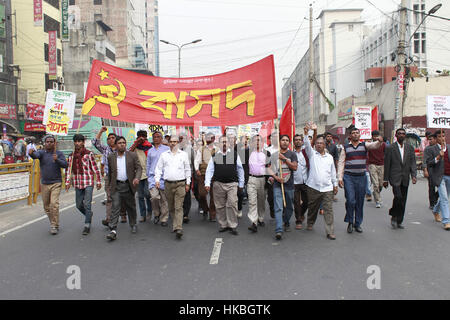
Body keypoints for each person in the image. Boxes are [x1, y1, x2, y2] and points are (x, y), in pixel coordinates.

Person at [338, 126, 383, 234]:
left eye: (357, 133)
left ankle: (357, 223)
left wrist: (379, 141)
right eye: (353, 133)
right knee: (350, 200)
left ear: (360, 135)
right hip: (349, 177)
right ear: (350, 136)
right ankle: (350, 222)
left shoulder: (365, 145)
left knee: (359, 201)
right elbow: (341, 162)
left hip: (361, 177)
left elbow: (374, 145)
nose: (355, 134)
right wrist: (339, 177)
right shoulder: (345, 147)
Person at [303, 125, 338, 240]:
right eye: (317, 143)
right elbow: (308, 144)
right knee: (313, 208)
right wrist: (309, 132)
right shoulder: (312, 154)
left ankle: (330, 231)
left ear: (324, 145)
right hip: (313, 187)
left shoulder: (329, 157)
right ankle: (310, 221)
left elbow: (333, 172)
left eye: (321, 143)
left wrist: (335, 184)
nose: (318, 144)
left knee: (328, 210)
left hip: (327, 188)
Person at [205, 135, 245, 235]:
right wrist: (207, 183)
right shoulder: (215, 156)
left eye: (226, 142)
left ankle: (232, 225)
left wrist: (241, 183)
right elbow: (209, 170)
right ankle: (223, 224)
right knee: (220, 206)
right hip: (218, 184)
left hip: (232, 184)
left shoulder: (235, 154)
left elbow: (240, 169)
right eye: (222, 142)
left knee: (232, 204)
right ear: (218, 144)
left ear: (229, 143)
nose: (224, 144)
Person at [29, 135, 67, 235]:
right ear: (44, 143)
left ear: (54, 143)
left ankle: (54, 225)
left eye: (51, 142)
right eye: (47, 142)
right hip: (45, 183)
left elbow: (65, 165)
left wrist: (57, 160)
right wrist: (32, 153)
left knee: (54, 204)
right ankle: (54, 223)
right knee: (46, 207)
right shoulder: (41, 153)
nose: (49, 143)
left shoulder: (59, 153)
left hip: (56, 183)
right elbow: (35, 156)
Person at [155, 135, 191, 239]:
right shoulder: (164, 155)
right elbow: (158, 168)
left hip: (180, 183)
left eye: (175, 142)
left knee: (178, 206)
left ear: (178, 143)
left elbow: (187, 169)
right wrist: (157, 180)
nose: (173, 143)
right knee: (171, 206)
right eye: (171, 141)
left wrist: (188, 182)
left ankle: (178, 228)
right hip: (168, 184)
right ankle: (176, 225)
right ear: (169, 142)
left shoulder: (183, 155)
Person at [106, 136, 142, 241]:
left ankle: (133, 223)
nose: (122, 144)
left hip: (128, 185)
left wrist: (137, 178)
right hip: (116, 186)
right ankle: (113, 230)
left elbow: (139, 168)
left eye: (124, 143)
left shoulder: (132, 155)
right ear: (116, 145)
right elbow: (110, 172)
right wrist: (109, 186)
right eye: (120, 143)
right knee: (115, 207)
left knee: (131, 206)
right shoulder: (111, 157)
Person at [65, 134, 102, 235]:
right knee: (78, 205)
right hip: (77, 183)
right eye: (76, 141)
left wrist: (98, 181)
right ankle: (88, 214)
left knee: (87, 204)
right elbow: (68, 170)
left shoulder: (88, 154)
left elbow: (95, 169)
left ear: (83, 142)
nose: (77, 143)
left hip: (88, 182)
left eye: (79, 141)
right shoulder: (71, 156)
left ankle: (87, 225)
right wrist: (67, 182)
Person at [92, 127, 128, 226]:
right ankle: (109, 218)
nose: (110, 139)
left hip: (121, 177)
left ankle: (123, 214)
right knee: (109, 198)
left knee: (123, 197)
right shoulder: (105, 149)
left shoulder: (122, 149)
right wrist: (100, 132)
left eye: (112, 138)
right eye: (108, 138)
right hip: (109, 177)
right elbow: (95, 142)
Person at [383, 128, 417, 229]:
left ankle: (399, 220)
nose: (401, 135)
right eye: (399, 134)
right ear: (396, 136)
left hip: (405, 177)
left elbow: (413, 162)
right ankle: (393, 216)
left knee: (403, 199)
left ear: (405, 136)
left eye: (403, 134)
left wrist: (414, 175)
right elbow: (387, 164)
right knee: (398, 197)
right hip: (395, 177)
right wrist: (385, 179)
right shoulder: (390, 148)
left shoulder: (410, 148)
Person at [268, 134, 298, 240]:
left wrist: (284, 159)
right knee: (278, 207)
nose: (285, 142)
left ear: (289, 143)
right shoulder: (274, 155)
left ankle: (286, 221)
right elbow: (269, 169)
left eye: (287, 140)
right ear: (279, 142)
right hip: (277, 185)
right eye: (283, 140)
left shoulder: (292, 154)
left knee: (289, 207)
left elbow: (294, 167)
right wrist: (276, 177)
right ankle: (279, 229)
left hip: (289, 185)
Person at [425, 130, 450, 230]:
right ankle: (446, 221)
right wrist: (438, 157)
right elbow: (429, 163)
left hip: (449, 175)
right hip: (439, 177)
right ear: (436, 139)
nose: (442, 138)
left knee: (446, 197)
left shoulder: (448, 147)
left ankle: (436, 210)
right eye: (439, 136)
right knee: (444, 198)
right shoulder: (431, 149)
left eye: (443, 136)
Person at [247, 135, 270, 233]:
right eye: (255, 141)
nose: (257, 142)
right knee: (252, 202)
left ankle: (260, 218)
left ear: (262, 142)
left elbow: (269, 167)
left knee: (261, 201)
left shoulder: (267, 153)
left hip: (262, 180)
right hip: (251, 179)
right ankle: (254, 222)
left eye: (259, 140)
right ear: (252, 142)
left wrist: (269, 179)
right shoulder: (247, 153)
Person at [146, 131, 170, 227]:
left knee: (164, 200)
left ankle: (164, 219)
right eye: (154, 137)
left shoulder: (167, 149)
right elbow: (148, 164)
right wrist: (148, 176)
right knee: (154, 197)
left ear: (161, 138)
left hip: (164, 177)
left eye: (158, 137)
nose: (156, 138)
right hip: (152, 178)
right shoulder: (150, 151)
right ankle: (156, 214)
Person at [129, 130, 153, 223]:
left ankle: (150, 211)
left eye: (143, 136)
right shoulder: (135, 147)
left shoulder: (150, 147)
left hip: (148, 174)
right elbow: (129, 153)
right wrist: (137, 143)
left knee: (147, 194)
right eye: (140, 136)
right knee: (140, 196)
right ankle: (143, 215)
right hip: (138, 174)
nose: (142, 138)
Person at [194, 132, 217, 222]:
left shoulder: (217, 149)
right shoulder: (201, 149)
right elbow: (197, 160)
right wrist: (197, 169)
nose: (208, 139)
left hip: (214, 175)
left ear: (214, 139)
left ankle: (212, 214)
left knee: (213, 196)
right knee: (202, 194)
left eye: (210, 138)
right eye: (207, 138)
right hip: (203, 174)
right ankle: (205, 209)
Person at [293, 133, 309, 230]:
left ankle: (302, 213)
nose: (298, 141)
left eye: (300, 139)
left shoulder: (306, 152)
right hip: (294, 182)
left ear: (302, 141)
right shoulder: (291, 153)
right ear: (294, 142)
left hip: (305, 181)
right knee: (296, 202)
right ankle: (298, 220)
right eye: (296, 140)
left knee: (306, 201)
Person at [179, 133, 195, 223]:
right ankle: (178, 212)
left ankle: (185, 214)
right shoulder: (175, 149)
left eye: (183, 138)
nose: (181, 140)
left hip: (187, 175)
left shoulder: (190, 150)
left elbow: (194, 162)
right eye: (180, 138)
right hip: (177, 175)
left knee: (186, 193)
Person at [368, 130, 386, 208]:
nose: (376, 137)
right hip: (372, 165)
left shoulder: (384, 144)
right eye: (374, 136)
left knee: (380, 184)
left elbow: (386, 154)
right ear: (372, 137)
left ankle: (375, 193)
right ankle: (378, 200)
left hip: (381, 165)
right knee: (375, 184)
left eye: (377, 136)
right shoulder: (369, 144)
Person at [423, 133, 439, 213]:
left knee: (442, 187)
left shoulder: (440, 148)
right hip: (431, 169)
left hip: (439, 170)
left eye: (431, 139)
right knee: (431, 187)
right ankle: (432, 203)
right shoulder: (427, 149)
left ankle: (436, 197)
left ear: (435, 139)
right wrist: (425, 170)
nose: (430, 141)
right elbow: (425, 160)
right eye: (429, 139)